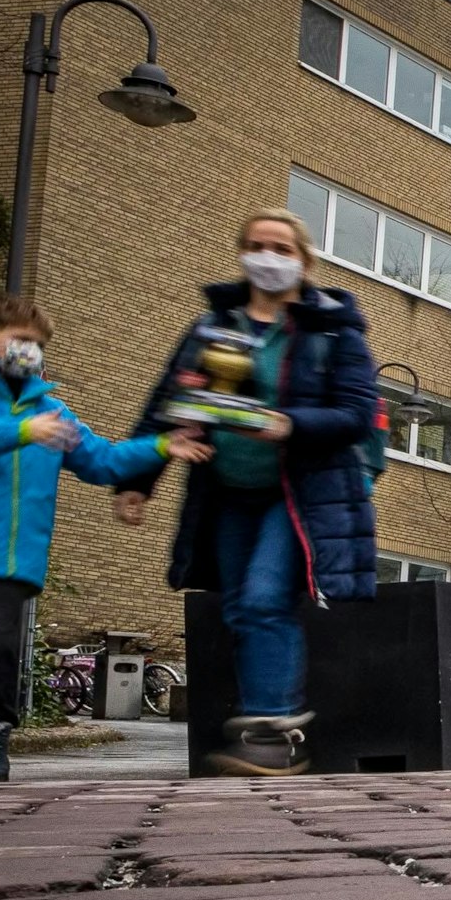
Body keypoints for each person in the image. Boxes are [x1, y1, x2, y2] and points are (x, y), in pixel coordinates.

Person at [117, 209, 379, 776]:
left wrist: (289, 424)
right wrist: (138, 480)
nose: (268, 257)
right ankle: (264, 725)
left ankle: (271, 736)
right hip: (228, 490)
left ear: (304, 261)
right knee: (239, 608)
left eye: (282, 248)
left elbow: (357, 414)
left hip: (301, 494)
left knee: (264, 599)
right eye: (257, 245)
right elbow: (168, 402)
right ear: (241, 252)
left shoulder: (332, 332)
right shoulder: (214, 327)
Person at [0, 292, 210, 783]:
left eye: (38, 345)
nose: (30, 352)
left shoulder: (54, 414)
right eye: (18, 341)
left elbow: (103, 461)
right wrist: (21, 431)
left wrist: (163, 444)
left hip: (8, 561)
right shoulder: (14, 415)